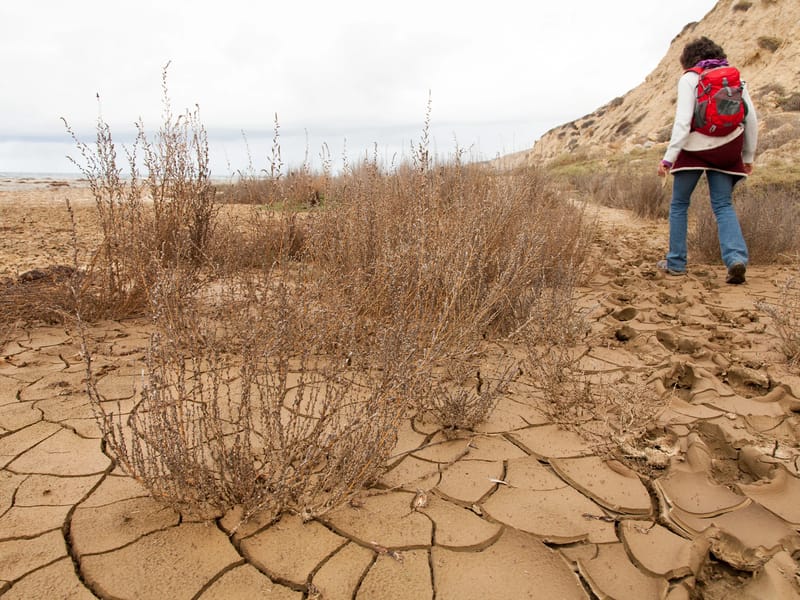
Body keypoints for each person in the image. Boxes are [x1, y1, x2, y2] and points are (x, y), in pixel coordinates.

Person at [657, 36, 758, 284]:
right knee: (723, 205)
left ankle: (676, 263)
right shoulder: (736, 79)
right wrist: (748, 156)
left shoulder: (689, 78)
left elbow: (682, 123)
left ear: (688, 59)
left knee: (680, 204)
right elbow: (751, 120)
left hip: (693, 148)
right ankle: (736, 259)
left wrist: (668, 159)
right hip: (727, 147)